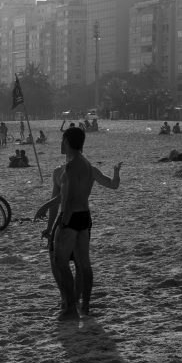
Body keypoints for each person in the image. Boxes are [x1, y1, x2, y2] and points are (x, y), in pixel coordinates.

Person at [34, 127, 122, 320]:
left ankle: (70, 307)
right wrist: (116, 173)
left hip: (70, 218)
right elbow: (113, 185)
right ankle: (85, 306)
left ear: (66, 141)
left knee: (60, 262)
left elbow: (67, 199)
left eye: (62, 140)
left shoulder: (70, 167)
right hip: (85, 218)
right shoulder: (89, 167)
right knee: (84, 265)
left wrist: (53, 217)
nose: (60, 143)